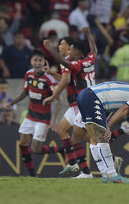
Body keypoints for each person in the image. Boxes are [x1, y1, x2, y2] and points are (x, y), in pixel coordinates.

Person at [43, 27, 96, 178]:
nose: (62, 47)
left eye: (65, 45)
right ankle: (73, 164)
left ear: (76, 50)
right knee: (62, 130)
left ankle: (88, 171)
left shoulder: (73, 63)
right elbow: (94, 50)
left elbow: (66, 79)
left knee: (83, 139)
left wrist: (49, 48)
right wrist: (88, 34)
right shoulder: (89, 60)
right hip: (78, 104)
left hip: (82, 105)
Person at [5, 49, 62, 177]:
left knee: (36, 149)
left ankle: (60, 150)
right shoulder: (28, 74)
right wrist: (12, 102)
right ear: (31, 61)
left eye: (40, 60)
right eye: (35, 60)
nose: (37, 62)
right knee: (22, 144)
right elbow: (25, 92)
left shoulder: (49, 79)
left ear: (44, 63)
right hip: (30, 116)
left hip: (43, 119)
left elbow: (60, 100)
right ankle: (32, 174)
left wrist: (54, 119)